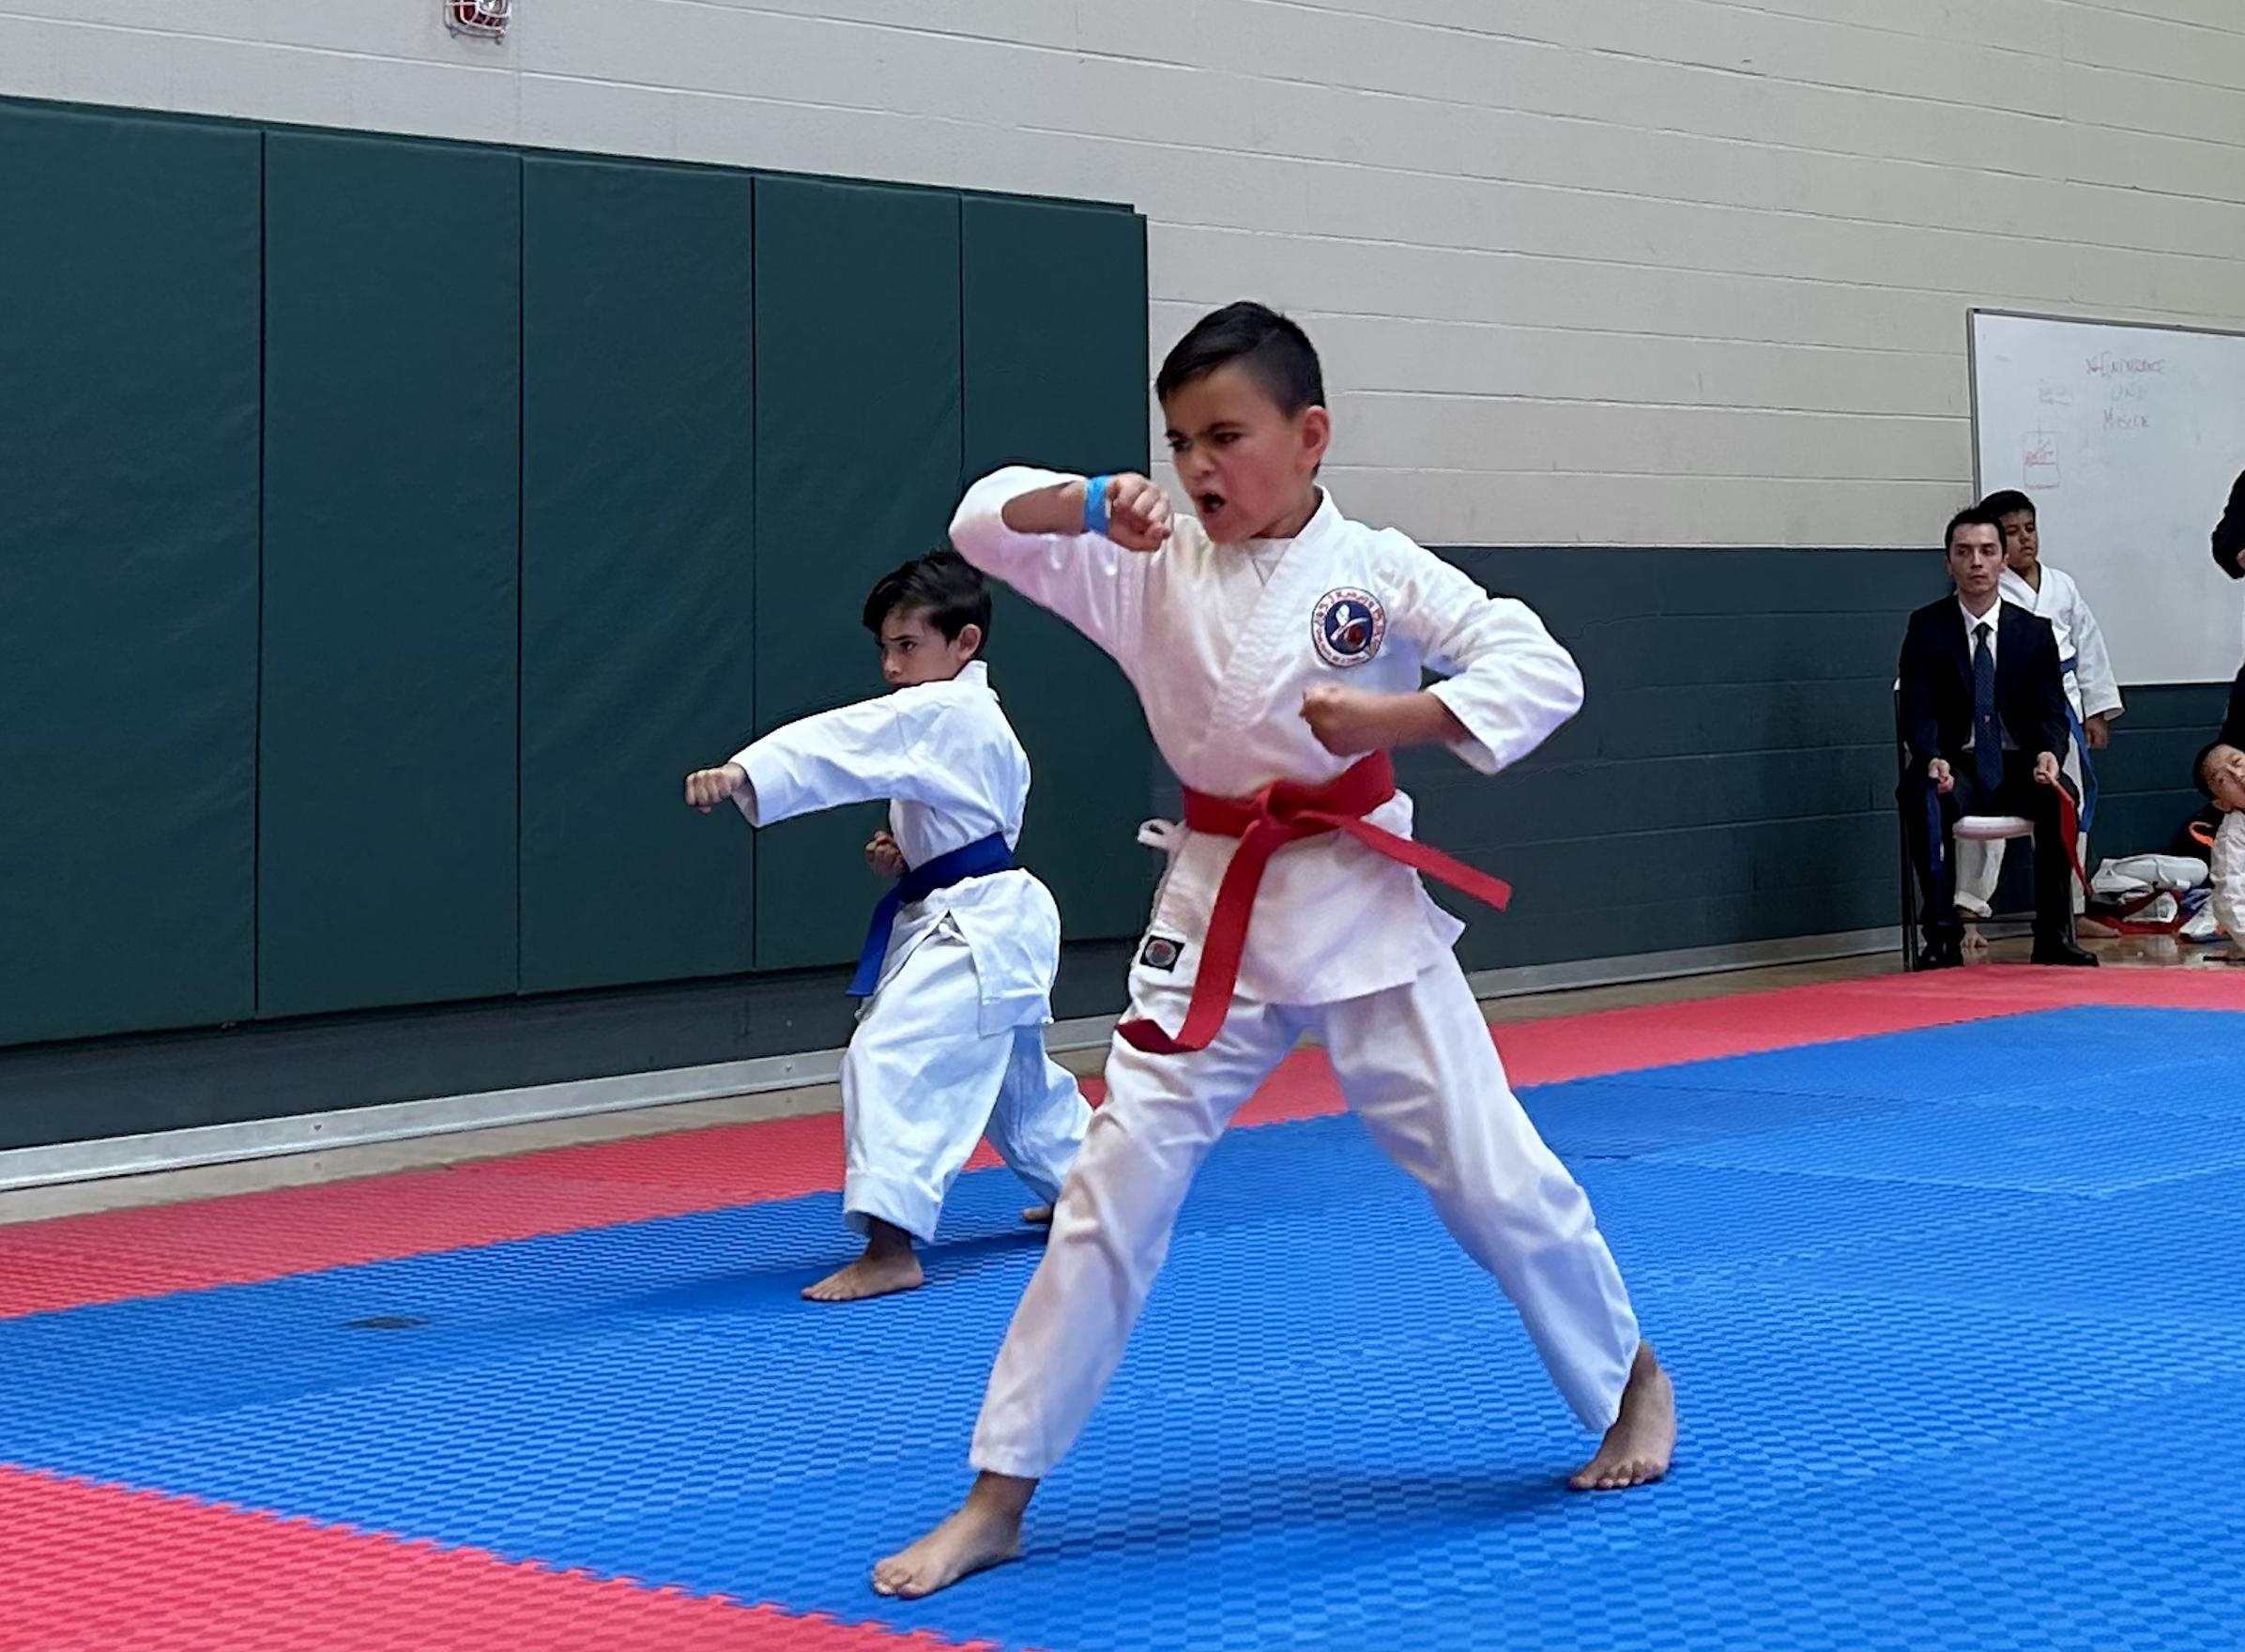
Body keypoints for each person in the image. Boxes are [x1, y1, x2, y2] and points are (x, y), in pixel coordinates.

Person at [871, 300, 1674, 1601]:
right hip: (1213, 913)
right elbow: (977, 521)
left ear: (1310, 437)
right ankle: (1000, 1492)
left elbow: (1542, 667)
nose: (1198, 468)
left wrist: (1397, 714)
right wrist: (1086, 501)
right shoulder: (1145, 561)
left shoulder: (1383, 569)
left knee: (1486, 1171)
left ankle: (1631, 1379)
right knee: (1108, 1198)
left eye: (1226, 437)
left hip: (1357, 899)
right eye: (1179, 440)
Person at [685, 550, 1090, 1301]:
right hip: (992, 914)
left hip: (974, 929)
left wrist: (747, 772)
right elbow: (980, 819)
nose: (893, 668)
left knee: (888, 1056)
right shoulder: (974, 715)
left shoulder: (938, 712)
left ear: (964, 643)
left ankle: (890, 1247)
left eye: (909, 646)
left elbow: (845, 741)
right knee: (1014, 1082)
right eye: (886, 649)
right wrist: (913, 851)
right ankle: (1100, 1193)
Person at [1897, 507, 2095, 971]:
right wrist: (1929, 757)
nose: (1977, 562)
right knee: (1918, 794)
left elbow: (2051, 709)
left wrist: (2050, 753)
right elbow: (1917, 707)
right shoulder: (1927, 627)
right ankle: (1941, 933)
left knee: (2059, 797)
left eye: (1987, 551)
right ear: (1949, 563)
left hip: (2018, 762)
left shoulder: (2034, 632)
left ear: (2003, 559)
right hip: (1956, 763)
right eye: (1964, 553)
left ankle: (2052, 933)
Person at [1951, 489, 2122, 927]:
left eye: (2030, 528)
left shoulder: (2062, 584)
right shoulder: (1989, 590)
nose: (2024, 540)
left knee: (2069, 800)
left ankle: (2070, 909)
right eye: (2011, 532)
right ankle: (1968, 906)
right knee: (1983, 807)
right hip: (2003, 710)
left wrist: (2096, 710)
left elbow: (2089, 646)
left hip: (2059, 706)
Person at [2193, 742, 2245, 956]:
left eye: (2238, 763)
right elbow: (2231, 900)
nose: (2239, 776)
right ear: (2222, 804)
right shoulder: (2232, 838)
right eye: (2223, 780)